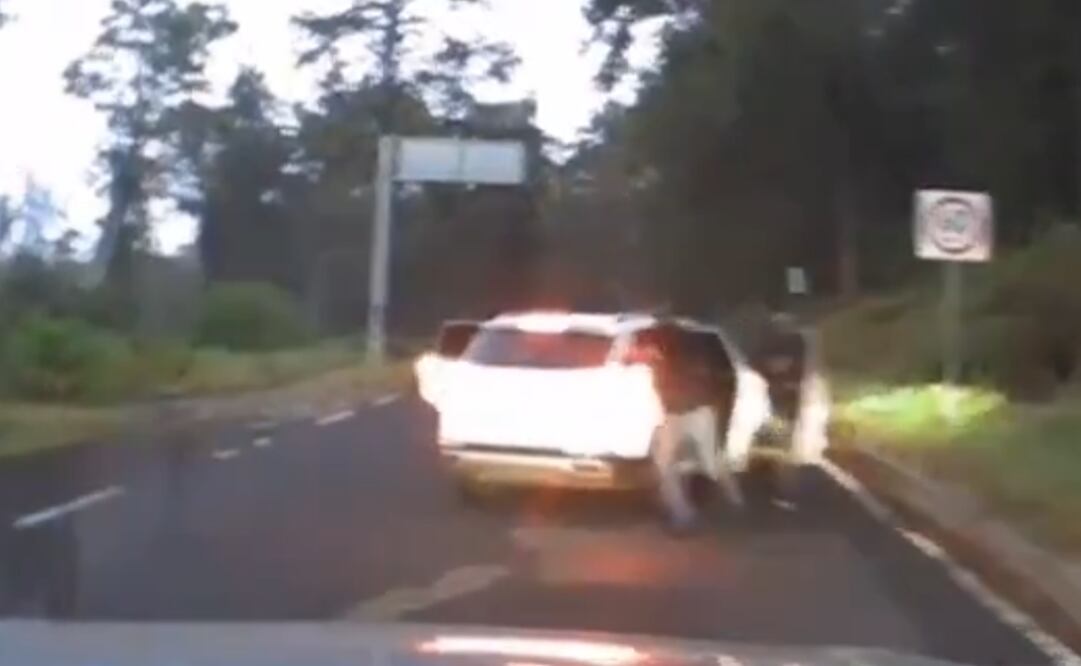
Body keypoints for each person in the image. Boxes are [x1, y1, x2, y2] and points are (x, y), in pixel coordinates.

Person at [643, 321, 744, 533]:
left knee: (709, 463)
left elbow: (674, 387)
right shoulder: (682, 356)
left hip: (693, 413)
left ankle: (730, 500)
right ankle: (686, 514)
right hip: (684, 415)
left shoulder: (680, 359)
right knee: (669, 464)